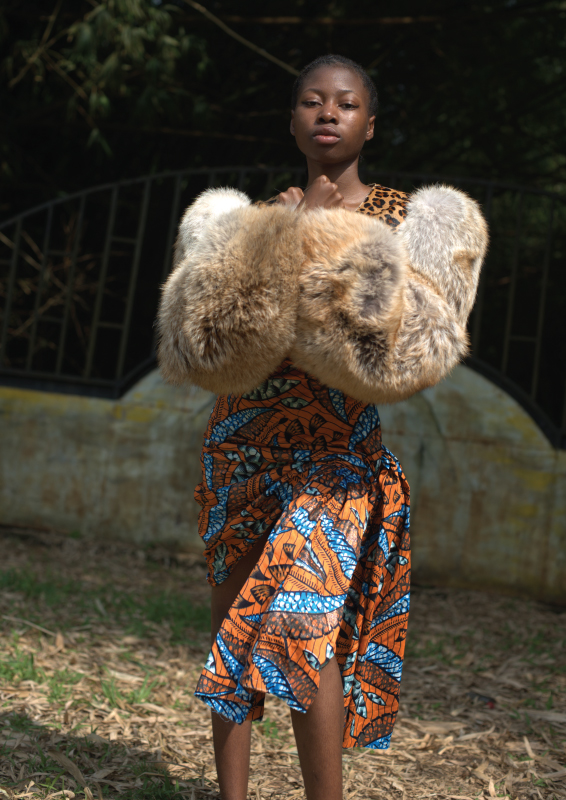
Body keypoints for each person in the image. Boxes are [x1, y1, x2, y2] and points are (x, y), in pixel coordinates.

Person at [157, 54, 488, 800]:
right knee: (231, 628)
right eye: (312, 101)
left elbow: (405, 353)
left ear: (370, 122)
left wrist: (326, 253)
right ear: (295, 119)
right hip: (241, 444)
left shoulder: (400, 220)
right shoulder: (258, 220)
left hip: (335, 457)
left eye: (345, 102)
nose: (327, 112)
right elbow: (213, 339)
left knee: (309, 636)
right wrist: (274, 243)